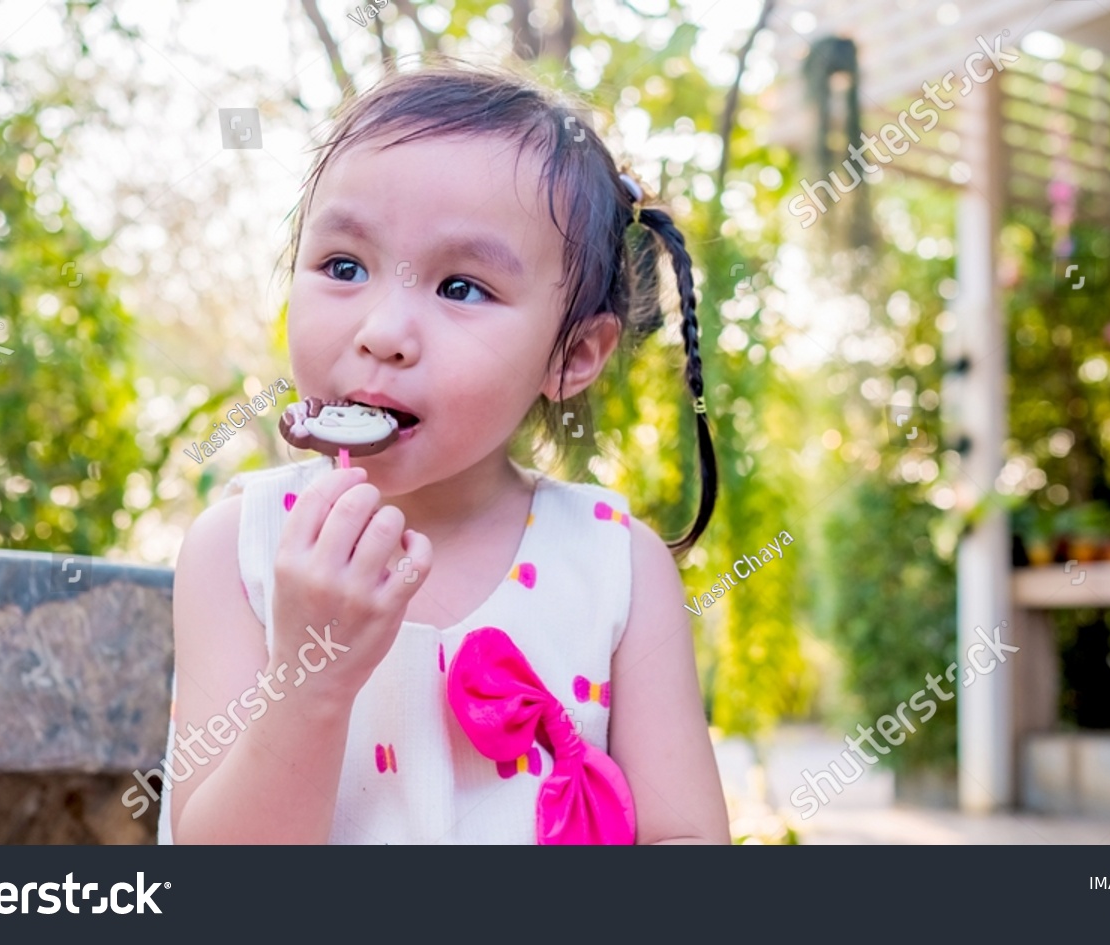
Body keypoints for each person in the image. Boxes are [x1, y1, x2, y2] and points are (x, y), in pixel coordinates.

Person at [157, 61, 728, 844]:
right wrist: (312, 680)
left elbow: (686, 838)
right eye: (344, 267)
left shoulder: (617, 567)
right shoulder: (239, 550)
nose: (383, 331)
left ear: (574, 356)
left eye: (461, 287)